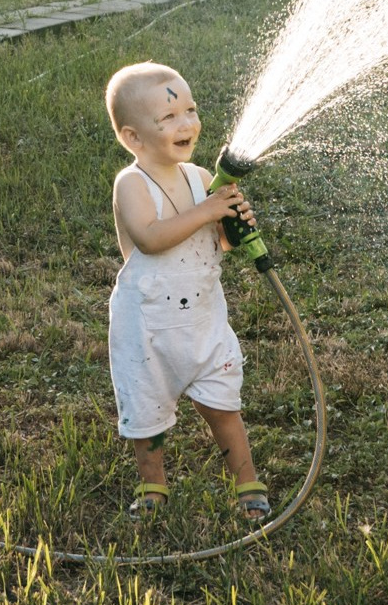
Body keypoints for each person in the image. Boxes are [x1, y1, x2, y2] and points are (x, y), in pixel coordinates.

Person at [104, 62, 270, 519]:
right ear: (134, 138)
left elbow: (211, 244)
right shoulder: (132, 184)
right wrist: (208, 210)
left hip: (202, 318)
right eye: (170, 118)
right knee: (148, 413)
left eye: (191, 110)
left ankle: (246, 480)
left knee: (222, 405)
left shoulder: (200, 178)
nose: (188, 123)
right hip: (149, 327)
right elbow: (152, 238)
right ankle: (153, 484)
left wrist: (232, 228)